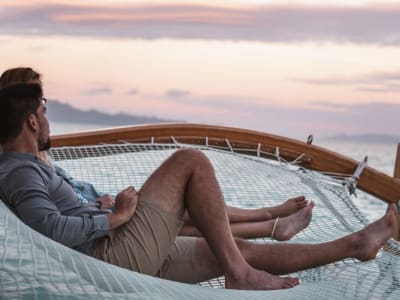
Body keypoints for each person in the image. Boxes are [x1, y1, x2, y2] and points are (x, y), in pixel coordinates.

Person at [0, 80, 397, 291]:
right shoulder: (20, 172)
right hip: (111, 253)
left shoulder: (29, 167)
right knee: (190, 161)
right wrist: (114, 218)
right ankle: (244, 265)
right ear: (32, 122)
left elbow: (55, 217)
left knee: (232, 250)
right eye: (45, 112)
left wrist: (105, 212)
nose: (48, 120)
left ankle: (354, 245)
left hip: (117, 248)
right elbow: (49, 228)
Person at [0, 67, 314, 241]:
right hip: (103, 218)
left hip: (101, 207)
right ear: (27, 117)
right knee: (182, 211)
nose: (45, 113)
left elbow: (70, 204)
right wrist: (110, 212)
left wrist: (102, 204)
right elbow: (58, 221)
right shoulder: (23, 170)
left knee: (187, 217)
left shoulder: (35, 159)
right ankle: (270, 221)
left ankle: (271, 221)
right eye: (42, 106)